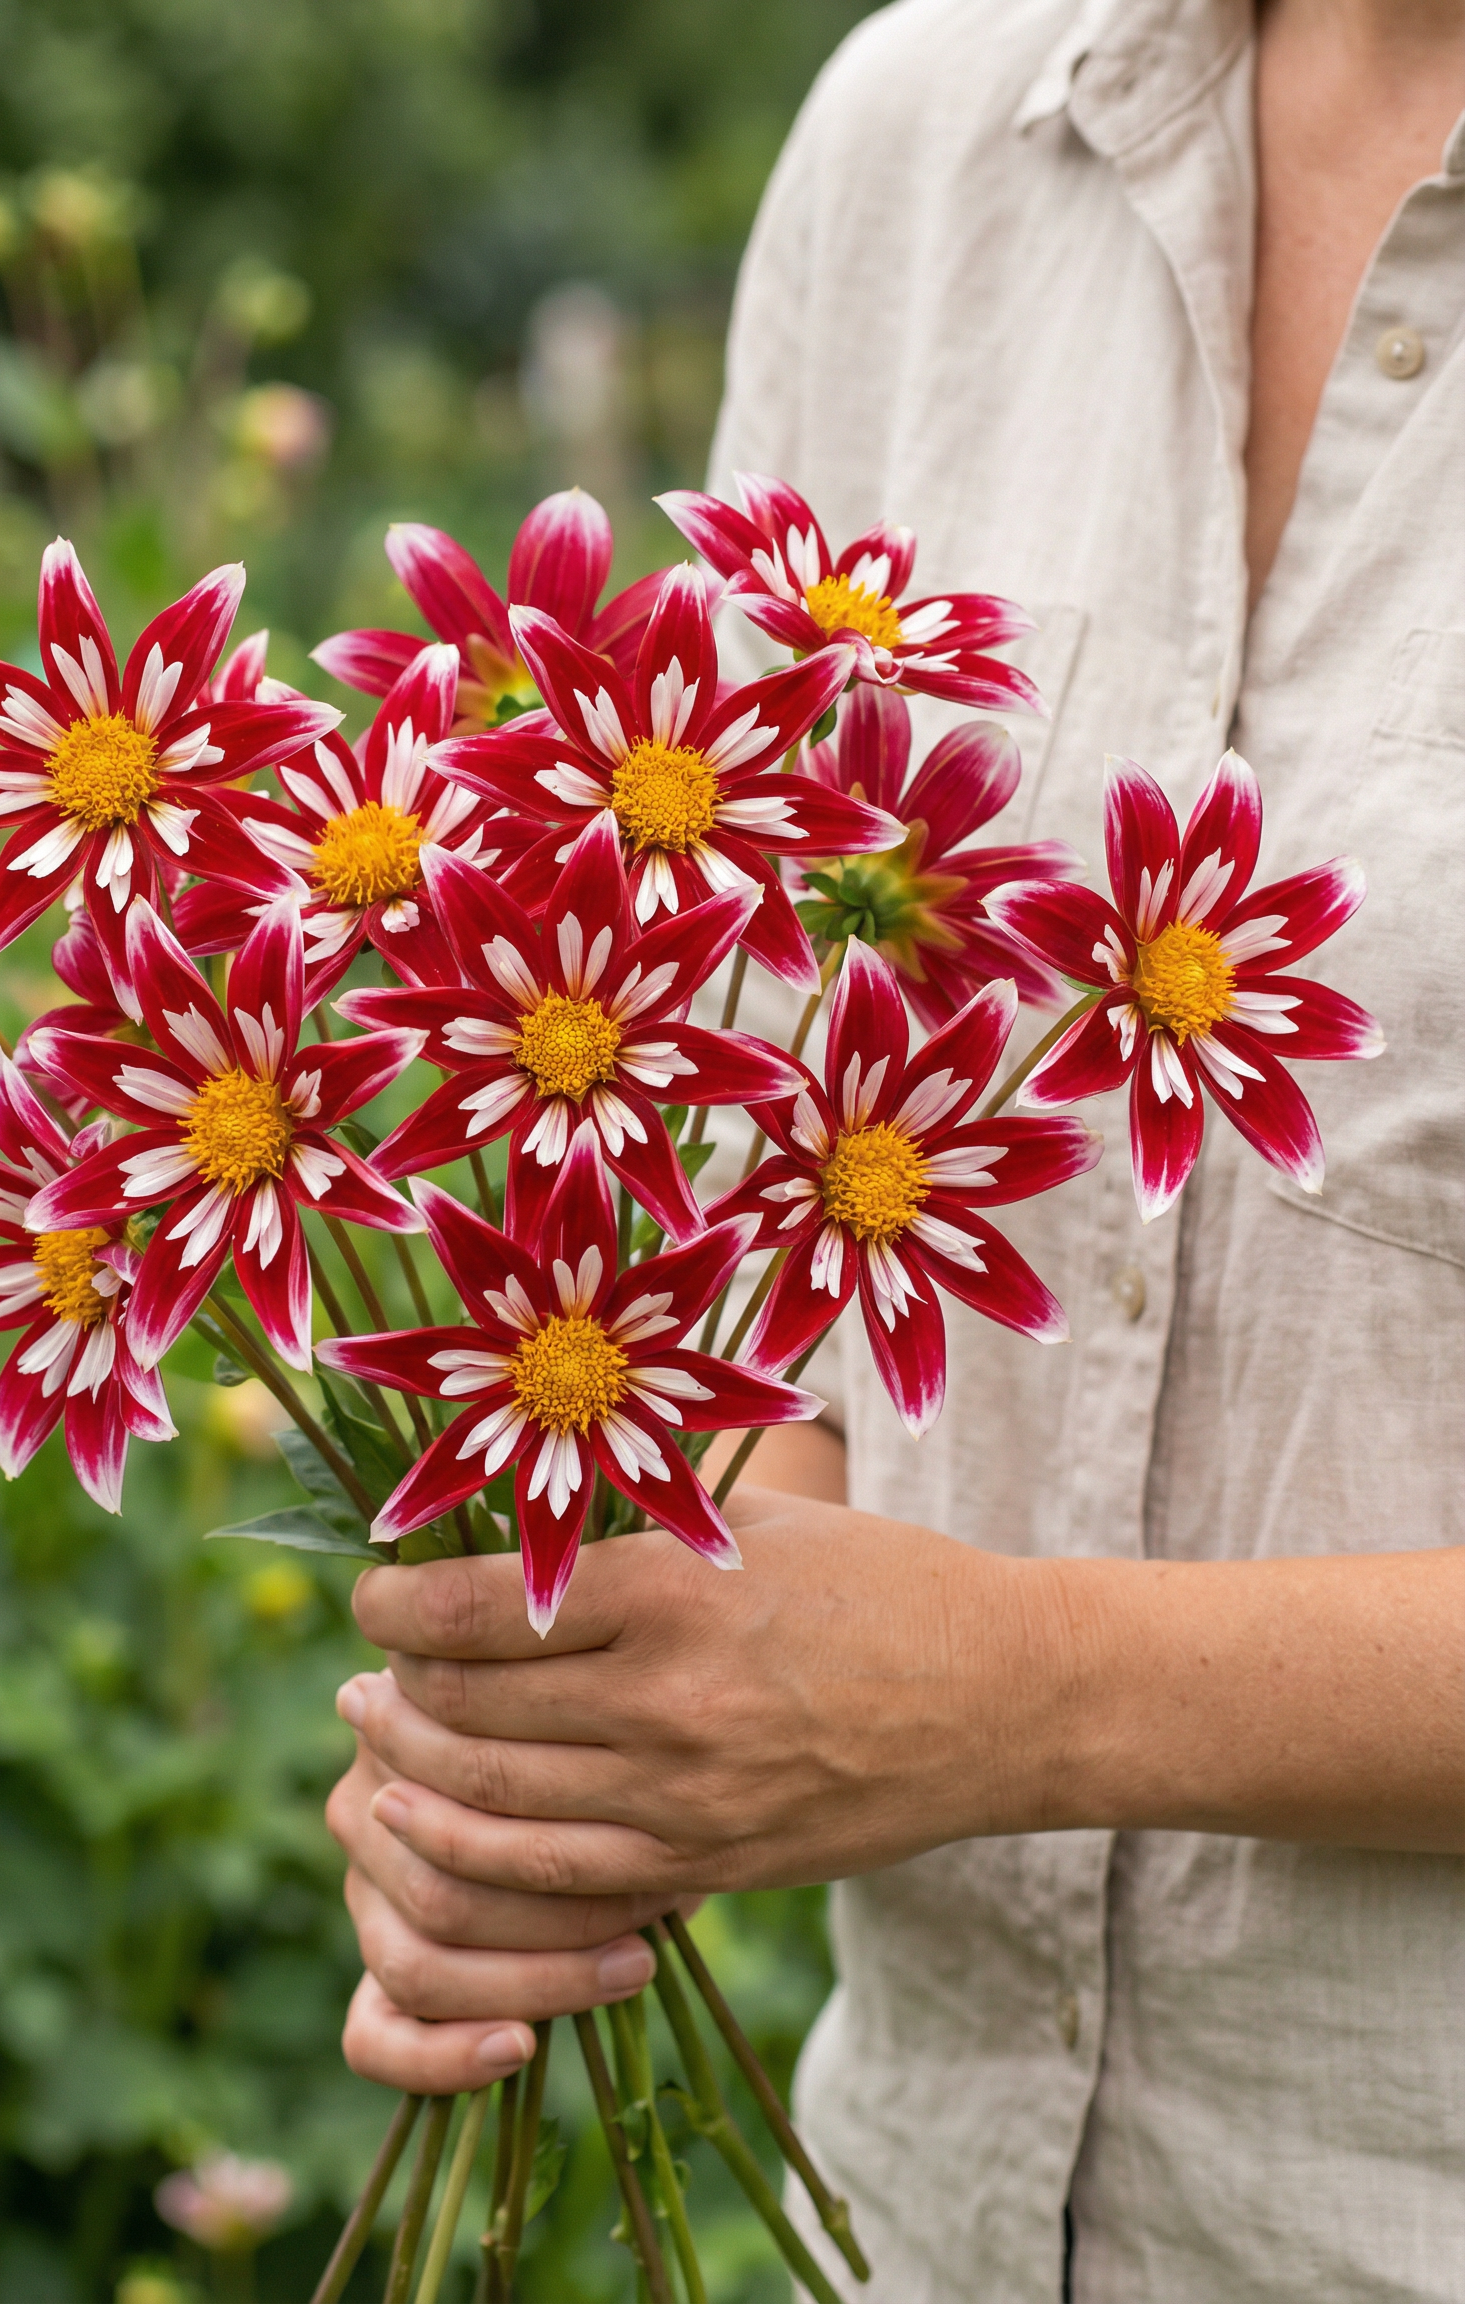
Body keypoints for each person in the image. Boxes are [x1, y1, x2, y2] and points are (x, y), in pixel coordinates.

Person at [325, 0, 1465, 2293]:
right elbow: (792, 1226)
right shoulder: (926, 140)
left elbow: (976, 1663)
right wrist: (591, 1752)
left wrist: (1026, 1688)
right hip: (913, 2223)